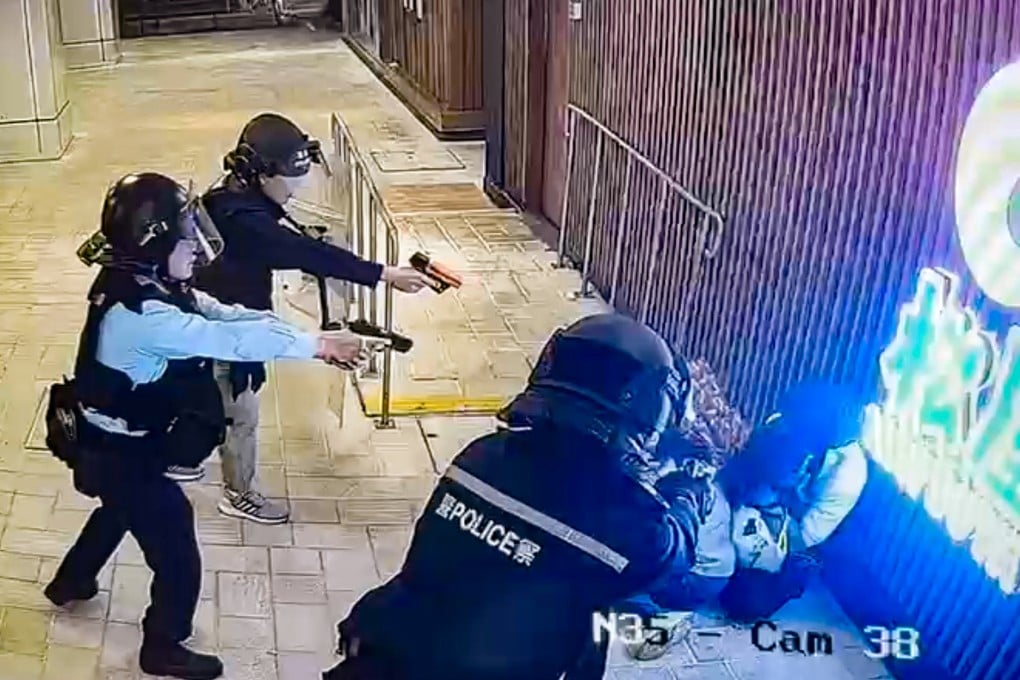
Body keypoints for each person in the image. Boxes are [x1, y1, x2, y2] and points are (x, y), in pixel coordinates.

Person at [43, 173, 371, 680]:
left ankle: (71, 582)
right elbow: (224, 340)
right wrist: (316, 346)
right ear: (156, 246)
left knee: (120, 510)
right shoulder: (144, 317)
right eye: (185, 238)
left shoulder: (144, 282)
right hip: (114, 451)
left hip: (116, 441)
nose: (196, 247)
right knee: (175, 545)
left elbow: (222, 315)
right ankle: (163, 645)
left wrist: (306, 338)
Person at [321, 313, 715, 680]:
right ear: (647, 406)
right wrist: (688, 491)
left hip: (383, 651)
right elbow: (673, 559)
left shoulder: (483, 455)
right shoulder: (626, 520)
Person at [188, 112, 430, 524]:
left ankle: (183, 458)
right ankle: (238, 493)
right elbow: (306, 253)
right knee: (241, 414)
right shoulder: (245, 220)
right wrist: (384, 274)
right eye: (289, 178)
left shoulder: (232, 194)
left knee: (209, 400)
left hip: (223, 320)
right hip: (231, 331)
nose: (295, 187)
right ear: (260, 173)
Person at [715, 381, 869, 622]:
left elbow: (803, 540)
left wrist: (771, 504)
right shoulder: (783, 426)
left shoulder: (847, 476)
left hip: (786, 531)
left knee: (747, 602)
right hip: (750, 496)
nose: (785, 425)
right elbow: (740, 467)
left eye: (794, 425)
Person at [617, 429, 737, 661]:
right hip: (713, 573)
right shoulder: (704, 478)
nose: (649, 462)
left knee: (621, 582)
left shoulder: (683, 487)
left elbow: (664, 550)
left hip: (697, 579)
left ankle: (669, 617)